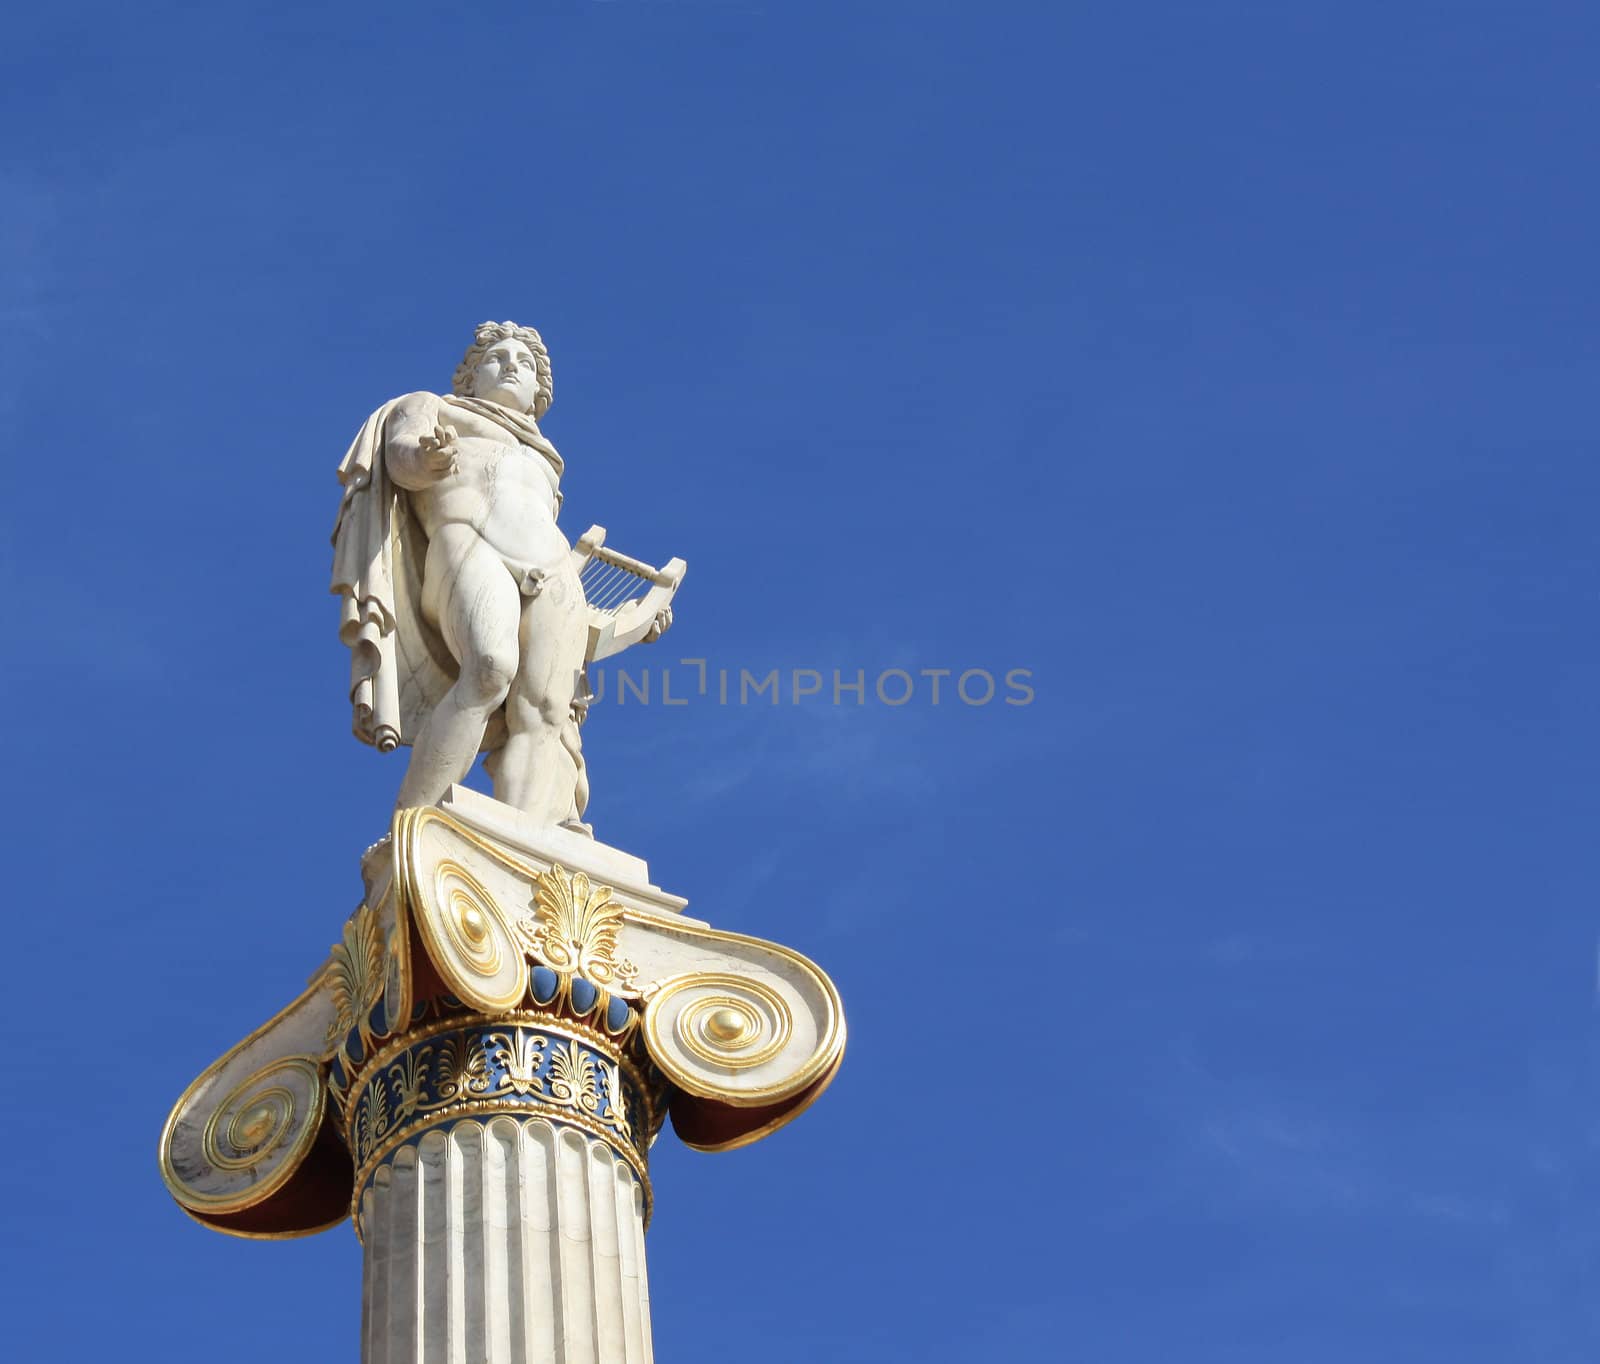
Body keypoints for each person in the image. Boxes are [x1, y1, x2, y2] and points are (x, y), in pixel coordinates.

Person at [332, 321, 593, 829]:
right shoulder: (436, 407)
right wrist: (428, 459)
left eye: (526, 362)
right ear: (470, 376)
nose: (512, 365)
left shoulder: (547, 457)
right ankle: (413, 828)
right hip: (469, 540)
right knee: (490, 668)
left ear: (540, 392)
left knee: (543, 710)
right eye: (497, 356)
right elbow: (401, 457)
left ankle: (527, 843)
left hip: (554, 565)